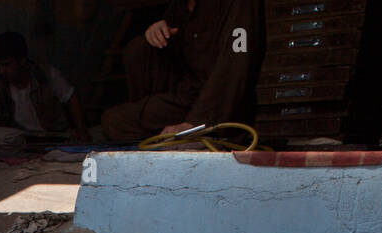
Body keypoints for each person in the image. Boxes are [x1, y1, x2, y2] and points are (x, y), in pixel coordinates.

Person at [101, 0, 262, 141]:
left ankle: (188, 138)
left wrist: (194, 124)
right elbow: (175, 59)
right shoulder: (181, 6)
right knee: (115, 120)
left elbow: (234, 67)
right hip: (185, 100)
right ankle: (167, 138)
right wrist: (156, 32)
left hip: (220, 109)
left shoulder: (238, 4)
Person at [0, 32, 87, 142]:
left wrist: (81, 128)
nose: (1, 71)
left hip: (55, 136)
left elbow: (70, 97)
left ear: (22, 60)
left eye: (7, 65)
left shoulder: (46, 76)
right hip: (23, 142)